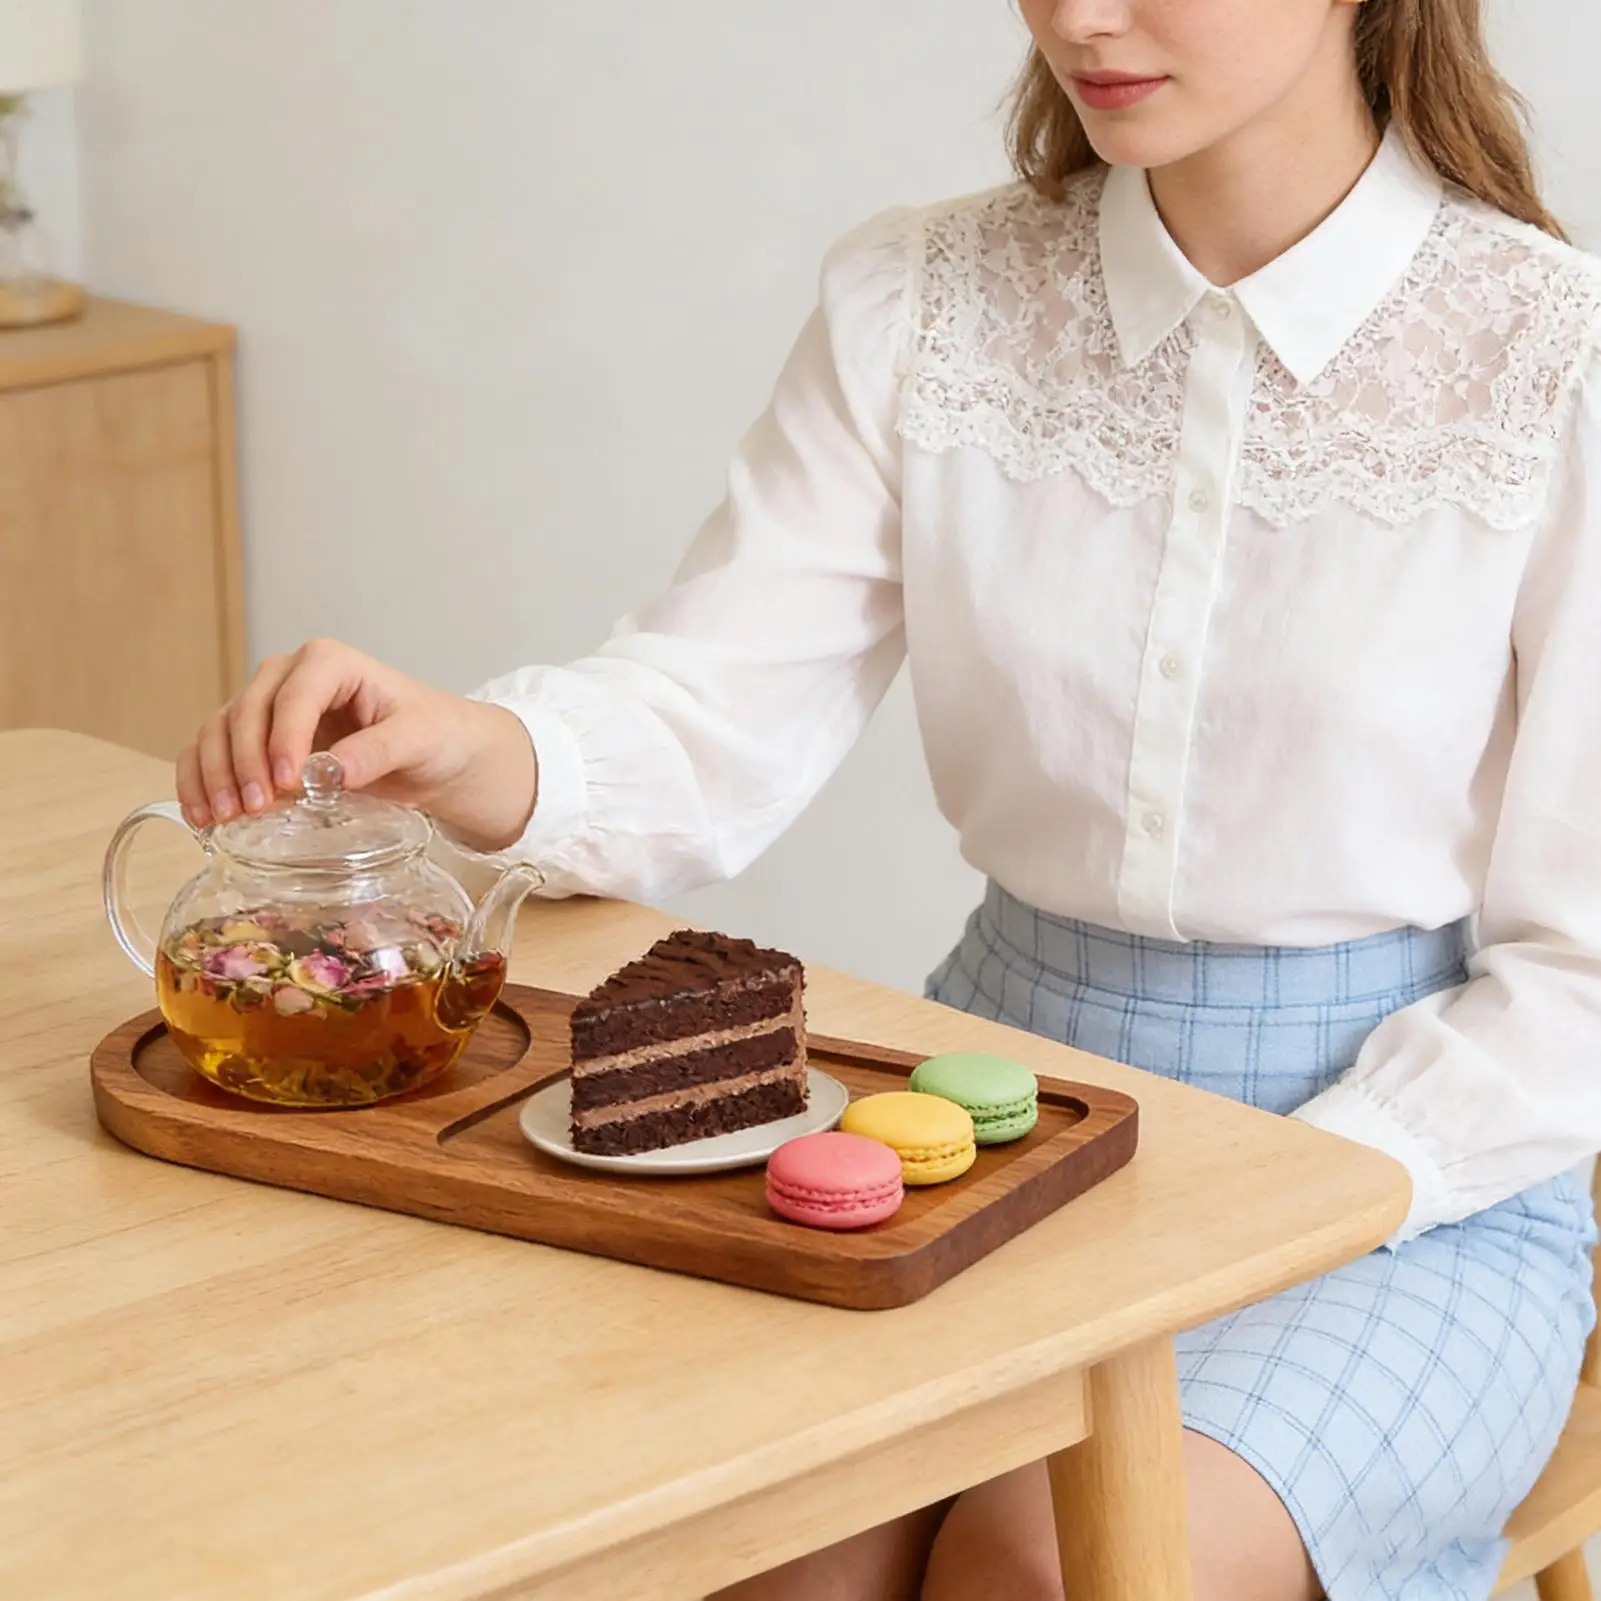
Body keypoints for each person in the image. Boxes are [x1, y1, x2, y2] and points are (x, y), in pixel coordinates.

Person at [178, 0, 1601, 1595]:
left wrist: (1309, 1183)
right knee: (766, 1550)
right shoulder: (927, 299)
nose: (1080, 16)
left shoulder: (1558, 359)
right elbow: (713, 710)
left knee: (1040, 1568)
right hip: (990, 1126)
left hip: (1412, 1179)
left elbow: (1582, 980)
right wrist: (465, 746)